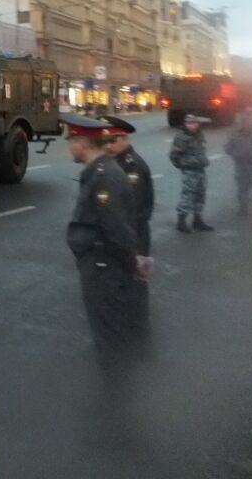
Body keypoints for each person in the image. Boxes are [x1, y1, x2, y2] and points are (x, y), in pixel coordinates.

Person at [63, 114, 150, 386]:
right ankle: (119, 385)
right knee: (109, 328)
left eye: (71, 140)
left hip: (104, 267)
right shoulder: (100, 171)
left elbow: (117, 229)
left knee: (108, 332)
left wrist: (131, 262)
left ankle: (118, 395)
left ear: (83, 143)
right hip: (101, 263)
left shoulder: (105, 177)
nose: (68, 146)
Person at [101, 115, 153, 340]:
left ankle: (137, 325)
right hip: (120, 235)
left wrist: (127, 243)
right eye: (106, 141)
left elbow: (135, 210)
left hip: (132, 235)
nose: (109, 146)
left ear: (125, 138)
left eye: (114, 140)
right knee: (119, 279)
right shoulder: (113, 162)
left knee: (134, 280)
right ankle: (124, 320)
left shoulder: (133, 168)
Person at [169, 114, 212, 233]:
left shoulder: (199, 135)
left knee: (200, 194)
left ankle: (197, 220)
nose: (191, 125)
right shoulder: (181, 137)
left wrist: (202, 161)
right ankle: (181, 221)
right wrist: (185, 165)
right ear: (185, 124)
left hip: (200, 169)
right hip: (190, 171)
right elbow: (174, 156)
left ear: (198, 124)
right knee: (188, 195)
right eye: (189, 123)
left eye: (193, 123)